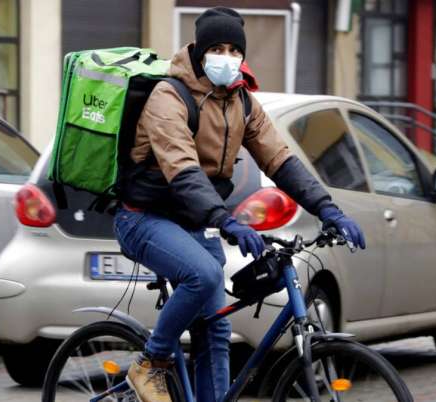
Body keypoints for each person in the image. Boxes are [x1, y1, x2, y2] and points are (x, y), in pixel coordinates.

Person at [114, 7, 366, 402]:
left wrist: (327, 209)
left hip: (195, 223)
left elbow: (280, 160)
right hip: (144, 218)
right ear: (199, 52)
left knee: (215, 329)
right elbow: (182, 170)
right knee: (203, 275)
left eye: (235, 50)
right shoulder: (169, 96)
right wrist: (225, 220)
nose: (227, 57)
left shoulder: (242, 102)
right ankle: (151, 363)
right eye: (217, 48)